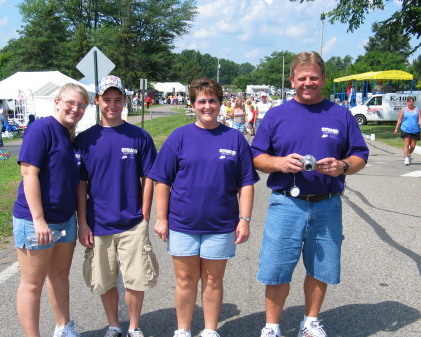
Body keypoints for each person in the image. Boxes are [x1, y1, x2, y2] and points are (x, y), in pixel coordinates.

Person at [251, 52, 369, 337]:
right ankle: (272, 326)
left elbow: (360, 155)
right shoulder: (277, 114)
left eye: (313, 77)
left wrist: (342, 166)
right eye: (301, 78)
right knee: (277, 267)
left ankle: (311, 321)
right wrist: (278, 163)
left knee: (320, 267)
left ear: (323, 79)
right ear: (292, 80)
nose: (308, 83)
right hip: (286, 203)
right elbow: (256, 156)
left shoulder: (340, 114)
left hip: (327, 204)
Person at [149, 77, 259, 337]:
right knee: (185, 281)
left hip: (221, 224)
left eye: (212, 100)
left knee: (213, 280)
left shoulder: (235, 139)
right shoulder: (179, 137)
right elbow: (162, 181)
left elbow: (246, 184)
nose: (207, 106)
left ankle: (210, 330)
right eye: (201, 101)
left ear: (221, 104)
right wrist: (161, 218)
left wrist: (245, 219)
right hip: (183, 224)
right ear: (193, 104)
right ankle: (183, 330)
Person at [75, 75, 159, 337]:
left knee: (136, 279)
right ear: (97, 101)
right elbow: (80, 184)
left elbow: (150, 177)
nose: (112, 104)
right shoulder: (85, 139)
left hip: (132, 221)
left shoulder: (139, 137)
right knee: (104, 279)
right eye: (107, 99)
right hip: (98, 222)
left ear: (125, 101)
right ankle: (114, 325)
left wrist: (145, 212)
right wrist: (83, 223)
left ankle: (134, 326)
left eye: (117, 99)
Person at [12, 83, 89, 337]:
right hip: (36, 220)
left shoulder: (69, 136)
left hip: (64, 220)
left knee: (59, 276)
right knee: (32, 284)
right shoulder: (41, 129)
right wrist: (39, 220)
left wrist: (79, 220)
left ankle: (64, 327)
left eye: (81, 106)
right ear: (57, 102)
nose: (75, 109)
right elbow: (28, 173)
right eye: (70, 103)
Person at [394, 96, 421, 165]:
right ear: (407, 102)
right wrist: (396, 128)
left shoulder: (417, 109)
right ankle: (406, 159)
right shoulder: (403, 110)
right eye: (409, 102)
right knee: (407, 144)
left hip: (415, 129)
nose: (411, 104)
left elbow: (420, 118)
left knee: (413, 146)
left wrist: (420, 123)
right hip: (405, 128)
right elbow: (399, 119)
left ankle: (408, 154)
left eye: (412, 102)